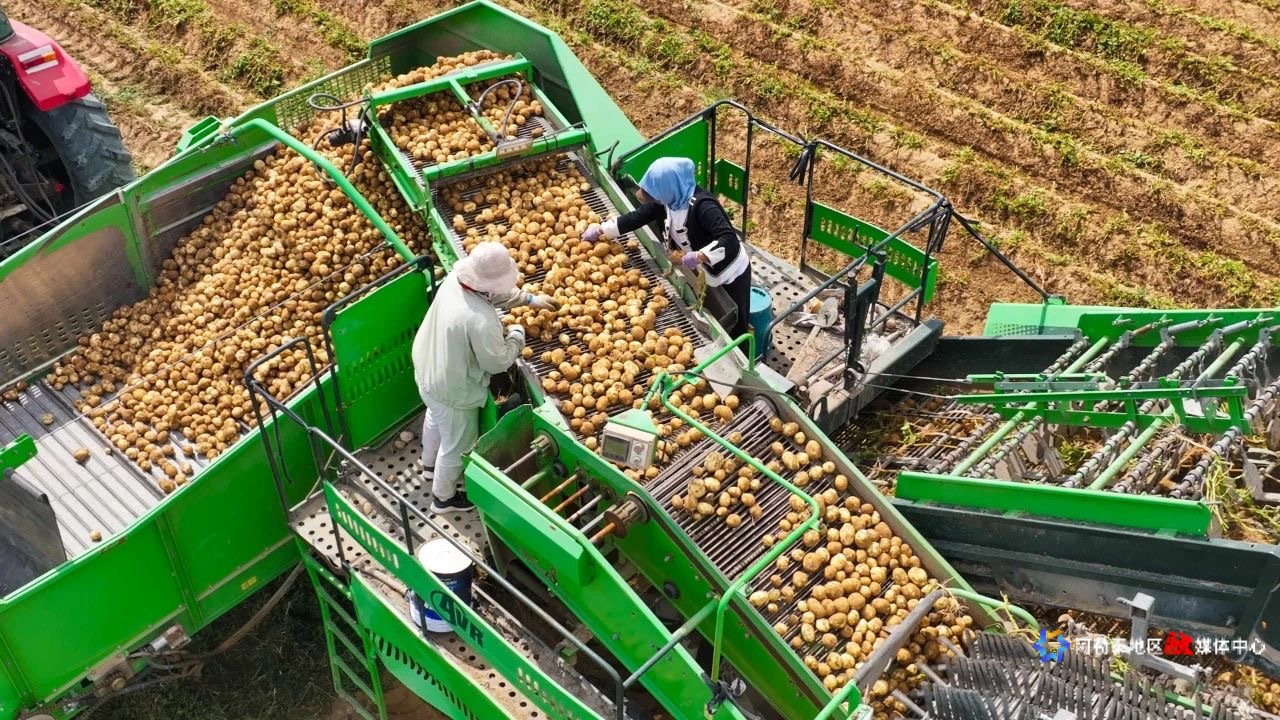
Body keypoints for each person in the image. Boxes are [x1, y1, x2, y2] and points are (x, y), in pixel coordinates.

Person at [412, 241, 558, 513]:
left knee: (435, 417)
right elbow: (497, 362)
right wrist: (517, 336)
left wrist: (529, 299)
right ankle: (443, 498)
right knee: (458, 446)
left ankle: (429, 465)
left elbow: (491, 295)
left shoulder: (455, 282)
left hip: (427, 366)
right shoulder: (480, 319)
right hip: (453, 387)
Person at [583, 156, 753, 339]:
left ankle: (742, 345)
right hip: (703, 269)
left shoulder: (703, 206)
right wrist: (601, 230)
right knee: (715, 307)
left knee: (737, 319)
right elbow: (635, 218)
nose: (653, 199)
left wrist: (700, 256)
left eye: (655, 194)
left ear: (669, 188)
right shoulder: (665, 202)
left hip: (731, 271)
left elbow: (729, 239)